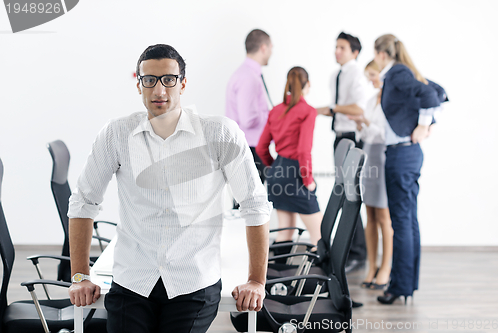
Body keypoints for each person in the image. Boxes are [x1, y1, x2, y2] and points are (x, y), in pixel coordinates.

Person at [67, 44, 272, 333]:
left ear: (183, 83)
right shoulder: (116, 134)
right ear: (139, 84)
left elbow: (254, 205)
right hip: (132, 281)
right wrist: (79, 275)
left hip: (194, 283)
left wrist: (256, 280)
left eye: (168, 79)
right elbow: (83, 202)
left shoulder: (218, 133)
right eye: (149, 79)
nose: (159, 90)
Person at [372, 34, 443, 305]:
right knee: (408, 221)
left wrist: (425, 125)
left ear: (380, 54)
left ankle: (399, 286)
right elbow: (437, 92)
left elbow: (432, 94)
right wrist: (425, 123)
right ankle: (406, 285)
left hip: (402, 155)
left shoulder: (397, 73)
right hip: (407, 153)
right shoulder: (403, 72)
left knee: (401, 222)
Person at [317, 32, 368, 273]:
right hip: (339, 137)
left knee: (349, 194)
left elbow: (358, 108)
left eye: (343, 48)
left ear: (354, 52)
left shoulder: (356, 73)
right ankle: (350, 250)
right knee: (343, 191)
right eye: (336, 47)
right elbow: (337, 109)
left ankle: (357, 253)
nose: (337, 51)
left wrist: (332, 108)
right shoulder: (336, 75)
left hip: (350, 139)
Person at [256, 66, 322, 248]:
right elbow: (303, 151)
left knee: (285, 232)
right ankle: (323, 276)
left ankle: (277, 275)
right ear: (307, 84)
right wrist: (308, 180)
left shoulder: (276, 110)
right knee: (320, 236)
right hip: (296, 173)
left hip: (277, 172)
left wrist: (275, 168)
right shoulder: (308, 111)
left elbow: (261, 147)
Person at [348, 60, 393, 290]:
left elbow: (387, 134)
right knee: (371, 215)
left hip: (384, 157)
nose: (370, 79)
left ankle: (386, 268)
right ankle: (372, 267)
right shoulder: (370, 99)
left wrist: (366, 123)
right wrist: (361, 125)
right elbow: (370, 132)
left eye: (373, 74)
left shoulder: (391, 101)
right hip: (369, 156)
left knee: (384, 216)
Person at [226, 29, 273, 186]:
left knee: (247, 203)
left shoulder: (247, 73)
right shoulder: (249, 77)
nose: (272, 52)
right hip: (251, 148)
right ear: (263, 48)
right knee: (250, 204)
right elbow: (248, 119)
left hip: (248, 148)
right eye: (271, 47)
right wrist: (270, 116)